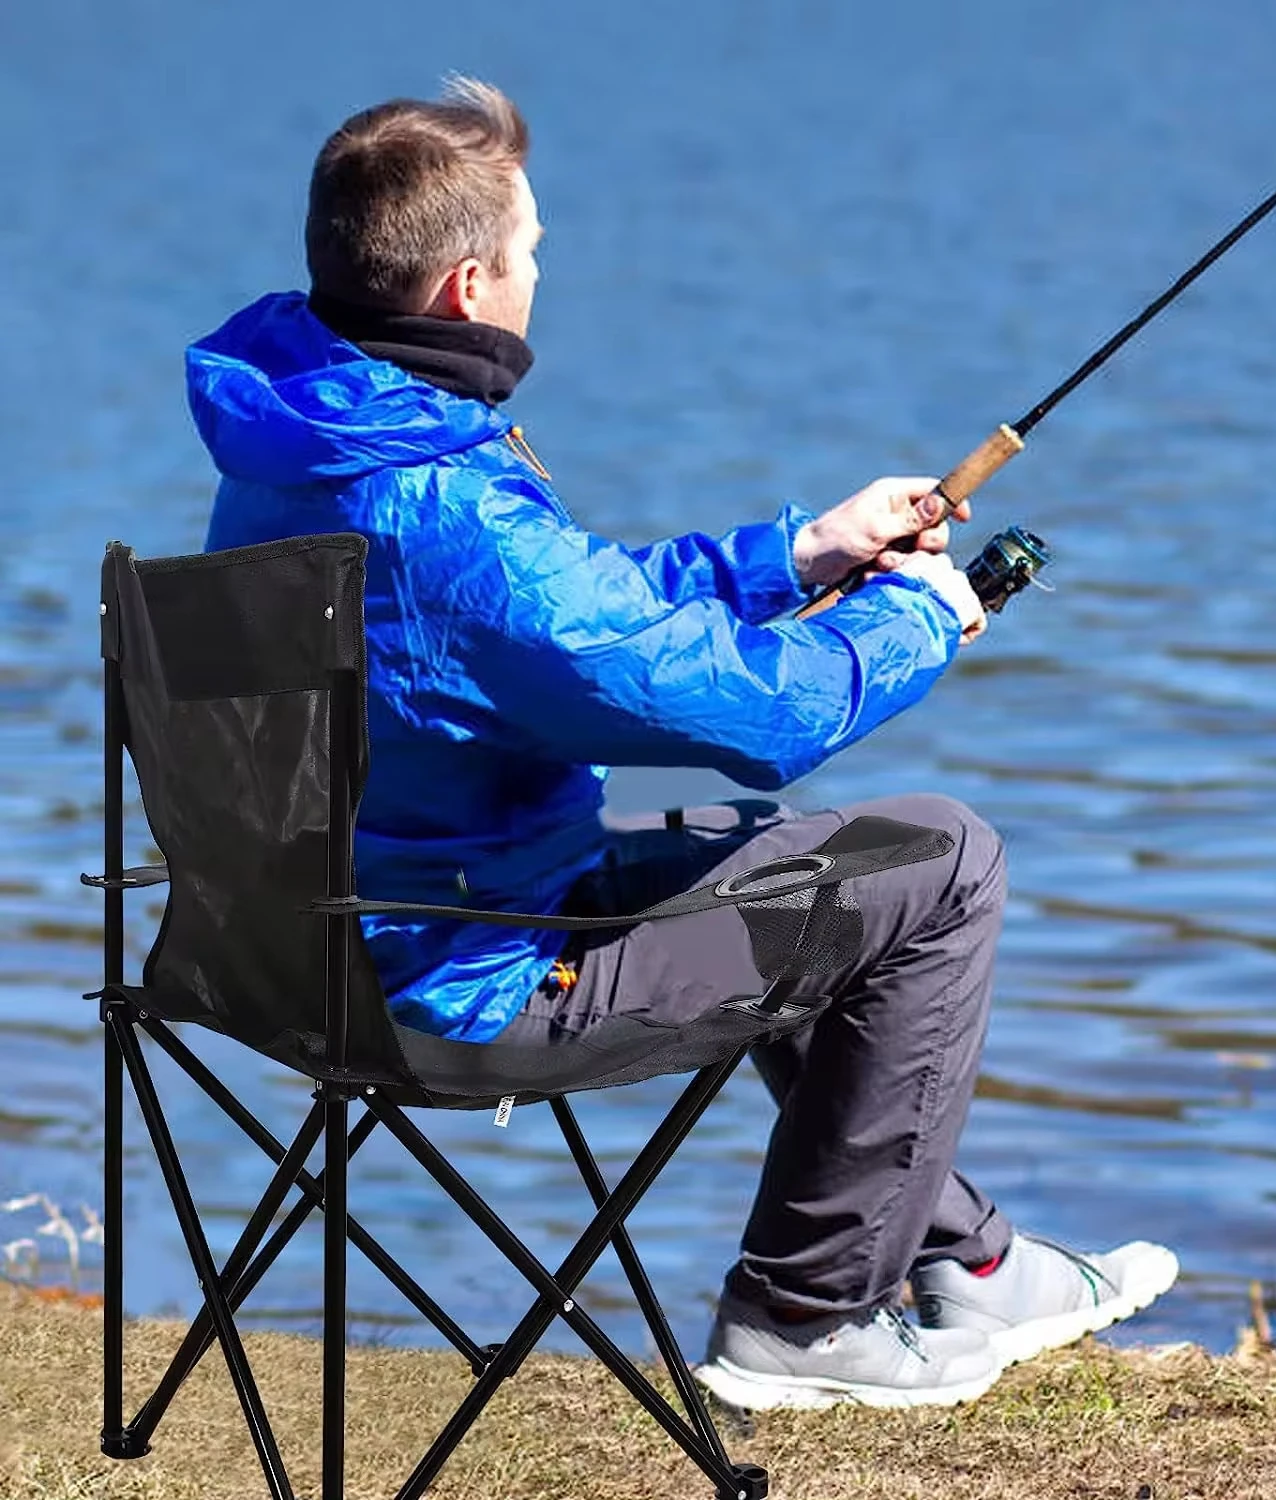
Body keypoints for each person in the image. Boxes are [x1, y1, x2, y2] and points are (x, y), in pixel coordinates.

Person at [189, 77, 1178, 1411]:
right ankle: (802, 1318)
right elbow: (747, 720)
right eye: (533, 250)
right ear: (467, 287)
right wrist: (921, 616)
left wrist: (799, 554)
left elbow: (579, 621)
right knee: (940, 862)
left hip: (301, 950)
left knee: (756, 855)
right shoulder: (448, 512)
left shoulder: (306, 438)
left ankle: (975, 1262)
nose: (545, 270)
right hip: (456, 982)